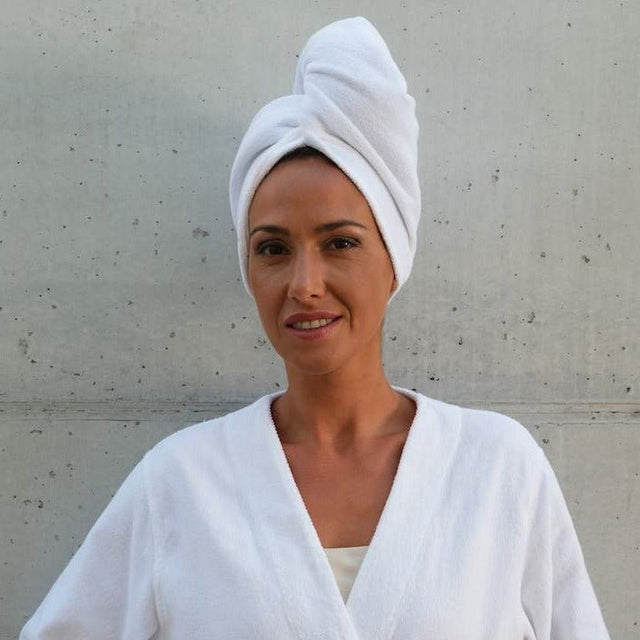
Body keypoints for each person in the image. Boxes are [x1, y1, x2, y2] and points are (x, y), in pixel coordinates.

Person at [21, 17, 609, 639]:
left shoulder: (497, 470)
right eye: (273, 249)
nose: (304, 283)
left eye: (340, 243)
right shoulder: (182, 481)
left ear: (394, 258)